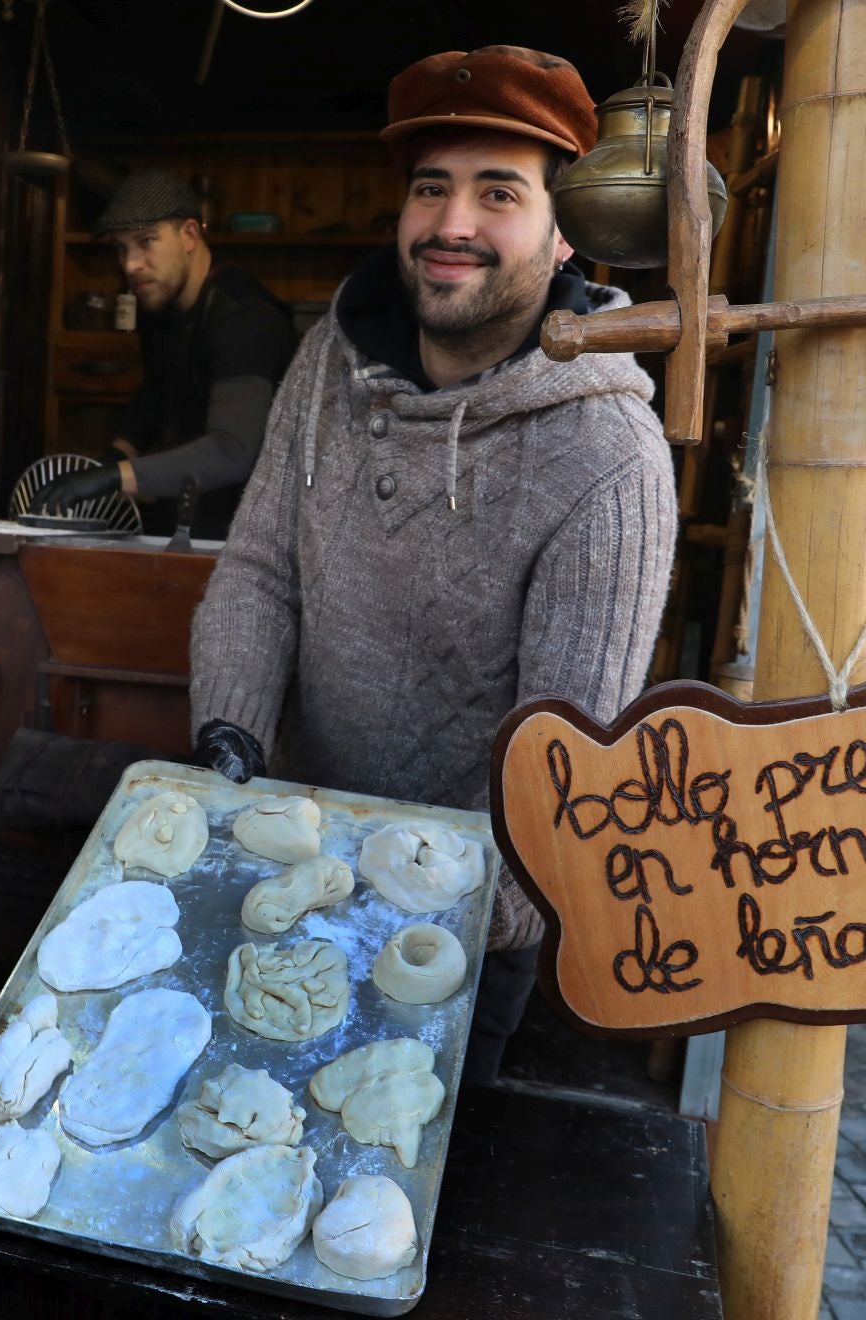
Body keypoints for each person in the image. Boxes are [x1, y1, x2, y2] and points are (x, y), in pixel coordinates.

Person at [187, 47, 677, 1084]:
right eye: (430, 188)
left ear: (563, 232)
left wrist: (437, 918)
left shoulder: (608, 458)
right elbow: (262, 566)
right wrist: (232, 748)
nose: (453, 224)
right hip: (291, 857)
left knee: (384, 1205)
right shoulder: (329, 360)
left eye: (498, 192)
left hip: (461, 926)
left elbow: (563, 767)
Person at [35, 170, 298, 539]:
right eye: (120, 248)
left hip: (249, 536)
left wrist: (115, 477)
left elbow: (232, 450)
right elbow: (158, 388)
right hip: (185, 516)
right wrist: (114, 456)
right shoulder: (159, 302)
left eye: (146, 241)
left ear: (189, 235)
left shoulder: (244, 318)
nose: (130, 264)